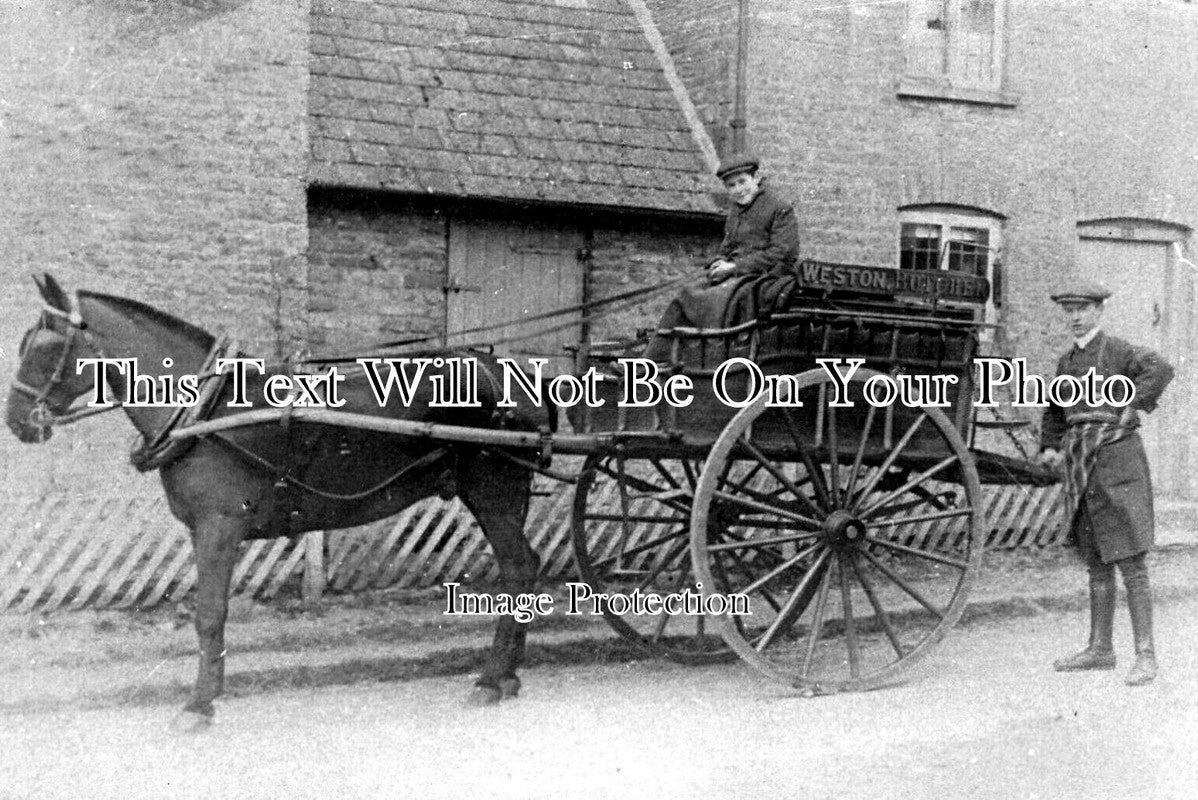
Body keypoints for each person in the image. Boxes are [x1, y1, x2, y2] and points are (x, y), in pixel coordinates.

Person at [1037, 280, 1174, 686]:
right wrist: (1049, 446)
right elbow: (1054, 409)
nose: (1075, 317)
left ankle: (1145, 655)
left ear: (1099, 310)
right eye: (1069, 311)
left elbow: (1161, 368)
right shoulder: (1066, 362)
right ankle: (1100, 648)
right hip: (1081, 466)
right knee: (1096, 559)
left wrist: (1133, 404)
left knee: (1131, 561)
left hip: (1118, 463)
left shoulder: (1118, 351)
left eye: (1082, 309)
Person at [643, 153, 800, 362]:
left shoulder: (779, 208)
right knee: (687, 293)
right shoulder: (736, 210)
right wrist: (718, 261)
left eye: (742, 182)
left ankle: (709, 359)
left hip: (766, 277)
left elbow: (783, 252)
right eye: (731, 185)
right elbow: (728, 245)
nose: (738, 189)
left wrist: (734, 267)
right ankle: (653, 360)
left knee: (714, 299)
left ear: (756, 178)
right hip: (737, 274)